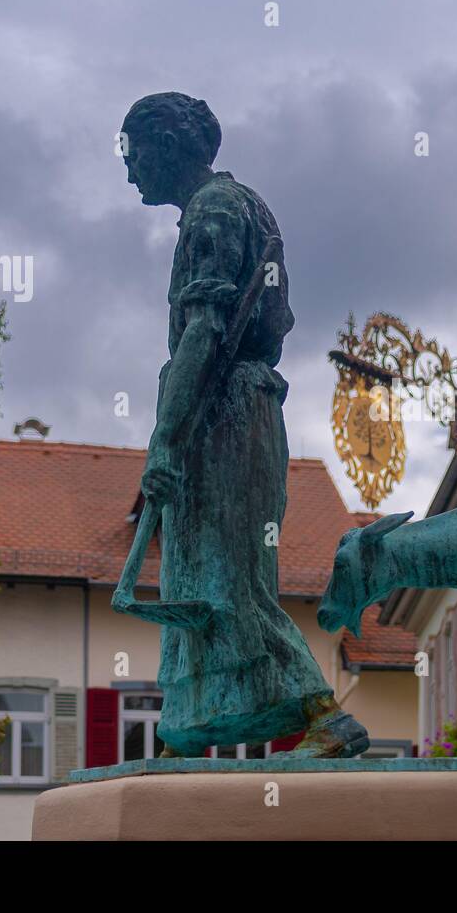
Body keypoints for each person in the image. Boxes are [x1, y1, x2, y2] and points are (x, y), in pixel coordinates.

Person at [119, 91, 368, 758]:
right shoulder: (234, 205)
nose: (128, 169)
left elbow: (202, 331)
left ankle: (326, 717)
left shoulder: (215, 211)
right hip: (229, 405)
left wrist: (167, 440)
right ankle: (185, 731)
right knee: (196, 582)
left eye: (131, 151)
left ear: (166, 147)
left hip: (221, 411)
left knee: (227, 580)